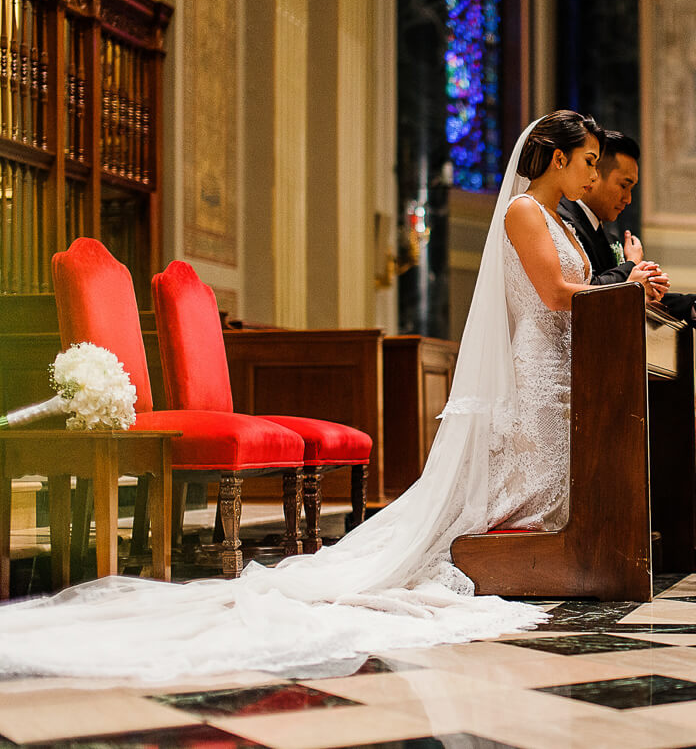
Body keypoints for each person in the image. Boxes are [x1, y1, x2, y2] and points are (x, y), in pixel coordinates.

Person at [0, 111, 658, 682]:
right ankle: (511, 553)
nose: (595, 177)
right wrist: (627, 293)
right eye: (590, 163)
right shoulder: (521, 210)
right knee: (522, 487)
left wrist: (631, 290)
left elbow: (583, 290)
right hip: (538, 364)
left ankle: (555, 550)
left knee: (552, 486)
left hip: (566, 365)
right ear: (560, 157)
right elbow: (551, 294)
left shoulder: (563, 219)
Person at [559, 130, 696, 328]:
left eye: (632, 189)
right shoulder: (563, 221)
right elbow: (584, 294)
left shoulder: (607, 235)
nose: (628, 199)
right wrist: (631, 265)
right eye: (623, 185)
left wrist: (694, 305)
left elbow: (628, 297)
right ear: (594, 175)